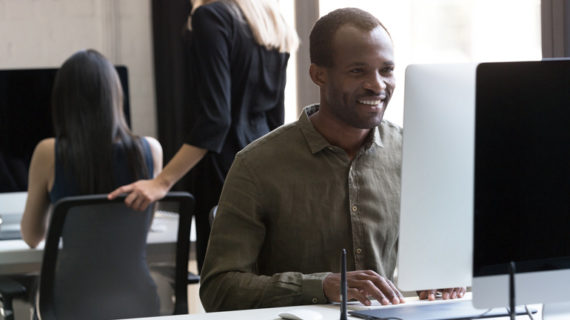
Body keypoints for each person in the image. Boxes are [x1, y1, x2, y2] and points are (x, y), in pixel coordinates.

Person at [199, 8, 465, 312]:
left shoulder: (414, 152)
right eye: (358, 71)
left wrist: (443, 279)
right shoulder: (255, 166)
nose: (377, 85)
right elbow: (218, 289)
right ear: (318, 75)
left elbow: (440, 261)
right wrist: (322, 286)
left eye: (386, 70)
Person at [107, 0, 299, 271]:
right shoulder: (271, 22)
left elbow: (216, 120)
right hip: (267, 174)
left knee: (225, 289)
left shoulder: (211, 16)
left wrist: (161, 182)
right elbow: (274, 119)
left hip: (223, 176)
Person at [20, 49, 163, 316]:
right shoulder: (150, 150)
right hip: (138, 301)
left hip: (71, 302)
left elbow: (31, 237)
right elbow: (144, 224)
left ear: (62, 101)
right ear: (115, 96)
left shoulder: (48, 152)